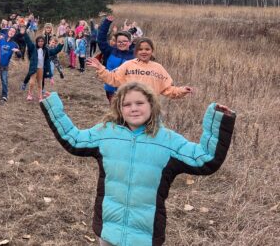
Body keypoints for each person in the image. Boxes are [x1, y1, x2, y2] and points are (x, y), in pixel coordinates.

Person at [40, 82, 236, 246]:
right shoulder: (105, 133)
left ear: (152, 105)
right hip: (108, 230)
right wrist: (52, 107)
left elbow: (205, 158)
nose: (134, 108)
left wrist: (218, 121)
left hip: (145, 235)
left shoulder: (168, 141)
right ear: (118, 107)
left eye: (140, 103)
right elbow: (73, 139)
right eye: (127, 104)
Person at [88, 37, 194, 98]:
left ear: (152, 51)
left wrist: (181, 90)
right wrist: (100, 68)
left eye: (147, 49)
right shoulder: (128, 65)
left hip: (151, 111)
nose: (144, 52)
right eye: (140, 49)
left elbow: (167, 89)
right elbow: (113, 79)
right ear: (135, 51)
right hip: (130, 109)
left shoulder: (158, 68)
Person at [98, 15, 135, 103]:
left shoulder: (134, 55)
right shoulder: (110, 51)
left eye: (124, 41)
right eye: (119, 42)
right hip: (110, 89)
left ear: (130, 42)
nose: (121, 43)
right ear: (116, 42)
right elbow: (101, 40)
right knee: (115, 110)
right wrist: (106, 23)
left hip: (127, 90)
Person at [0, 27, 20, 102]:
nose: (11, 32)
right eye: (11, 30)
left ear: (14, 34)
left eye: (13, 31)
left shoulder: (14, 44)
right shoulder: (1, 40)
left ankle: (4, 96)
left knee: (4, 80)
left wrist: (17, 52)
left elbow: (19, 55)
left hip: (5, 66)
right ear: (8, 31)